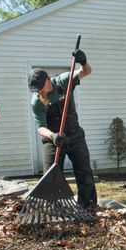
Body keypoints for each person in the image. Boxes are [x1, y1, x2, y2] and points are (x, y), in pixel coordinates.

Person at [28, 53, 97, 210]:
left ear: (47, 80)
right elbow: (40, 127)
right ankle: (56, 208)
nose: (39, 92)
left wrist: (84, 62)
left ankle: (88, 206)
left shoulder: (63, 81)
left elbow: (86, 71)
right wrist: (53, 136)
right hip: (53, 138)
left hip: (75, 135)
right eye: (36, 90)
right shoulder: (37, 101)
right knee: (50, 174)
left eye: (40, 88)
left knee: (84, 171)